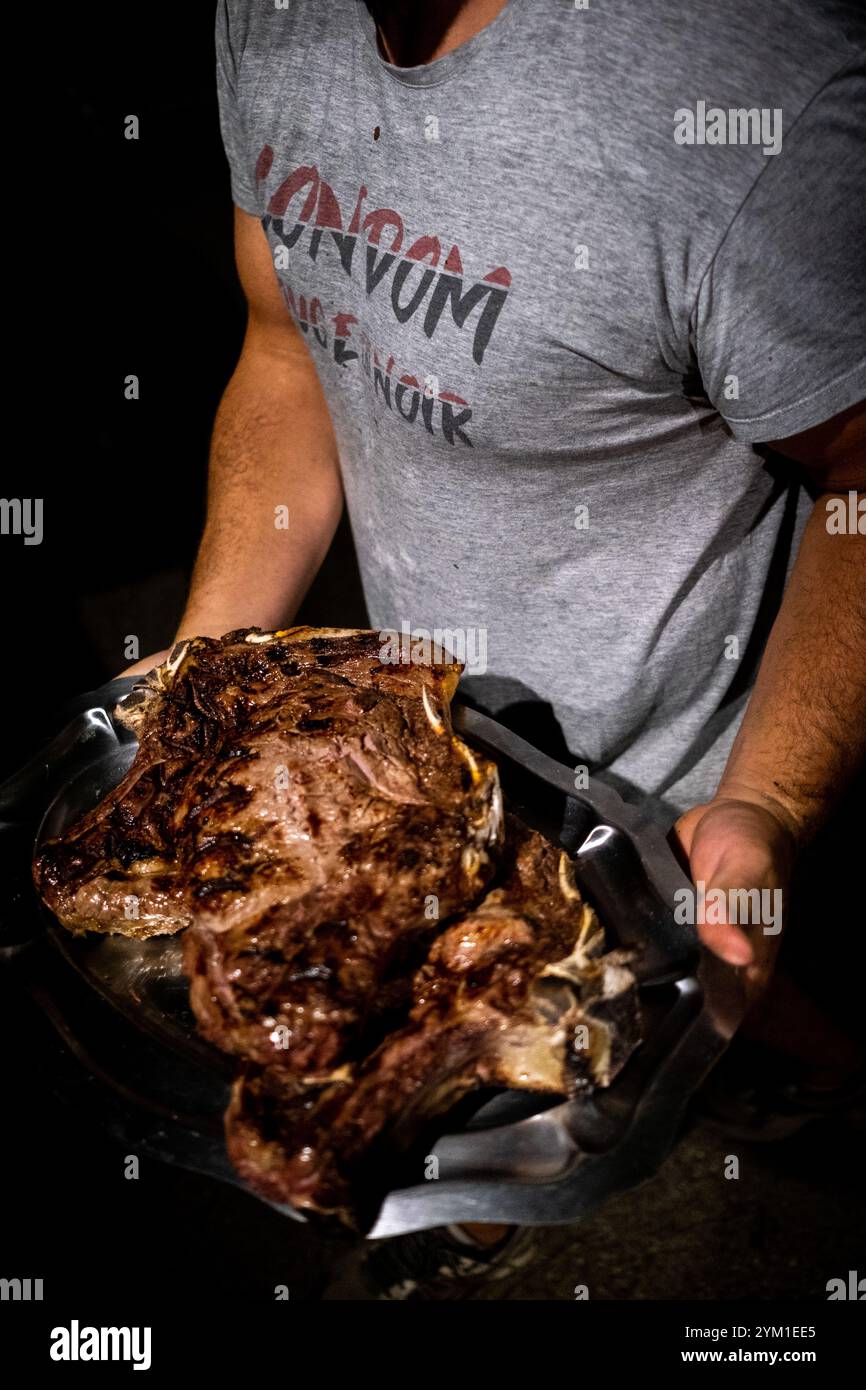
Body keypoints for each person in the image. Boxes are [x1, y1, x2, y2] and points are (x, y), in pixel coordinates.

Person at [126, 0, 866, 1297]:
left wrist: (769, 797)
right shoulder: (267, 13)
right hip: (412, 766)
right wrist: (199, 682)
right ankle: (468, 1218)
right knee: (415, 1103)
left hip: (662, 804)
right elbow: (287, 343)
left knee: (741, 1018)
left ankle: (805, 1091)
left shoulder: (748, 82)